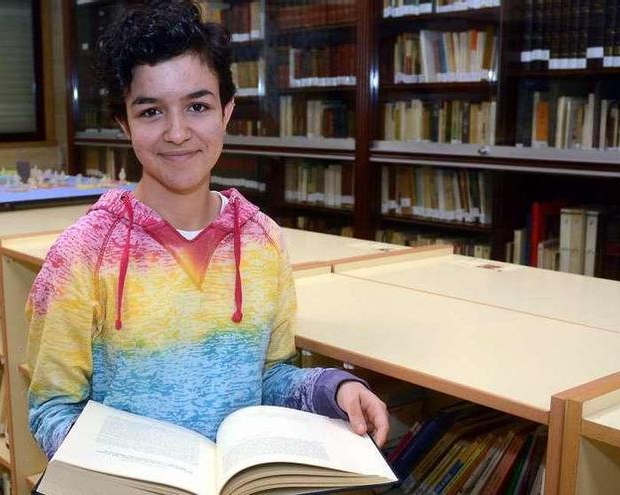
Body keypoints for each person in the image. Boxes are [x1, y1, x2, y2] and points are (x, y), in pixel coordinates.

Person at [25, 0, 388, 459]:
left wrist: (333, 390)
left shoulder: (263, 242)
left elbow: (269, 378)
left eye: (197, 106)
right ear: (124, 124)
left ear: (226, 113)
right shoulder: (79, 255)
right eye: (151, 111)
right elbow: (52, 410)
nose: (177, 133)